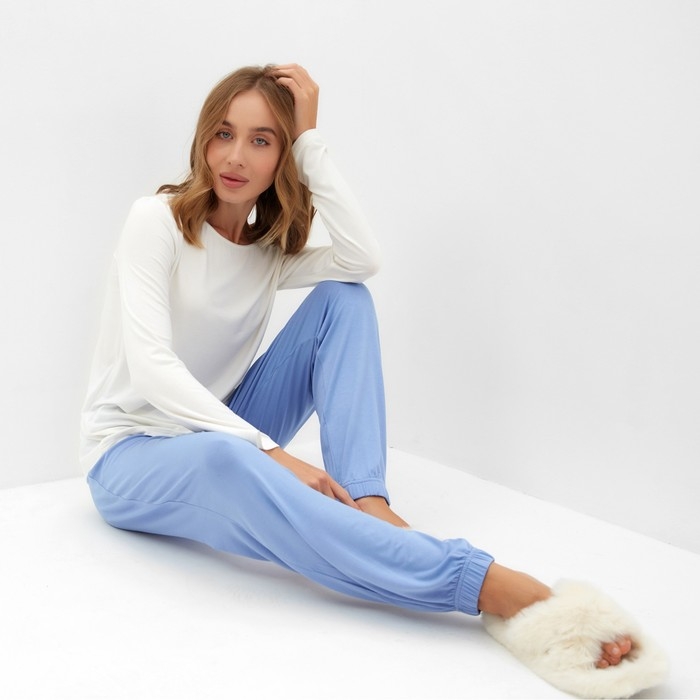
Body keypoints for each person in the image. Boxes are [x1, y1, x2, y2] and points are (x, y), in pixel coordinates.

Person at [80, 64, 666, 698]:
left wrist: (310, 140)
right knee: (228, 456)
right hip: (132, 454)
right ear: (203, 138)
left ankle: (368, 501)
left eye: (262, 140)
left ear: (283, 158)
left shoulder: (266, 252)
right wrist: (271, 452)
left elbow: (362, 259)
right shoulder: (156, 220)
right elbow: (153, 368)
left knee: (345, 299)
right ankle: (483, 583)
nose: (236, 156)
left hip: (223, 425)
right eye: (224, 133)